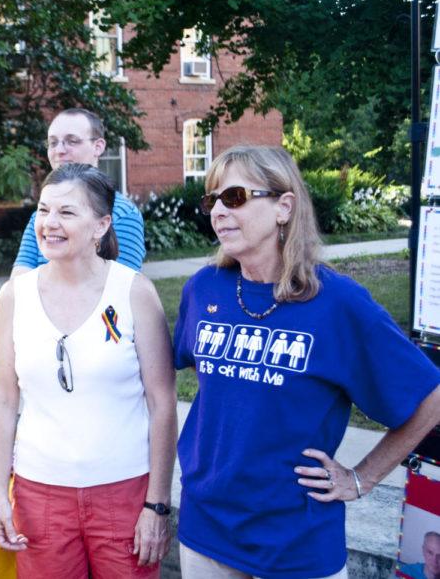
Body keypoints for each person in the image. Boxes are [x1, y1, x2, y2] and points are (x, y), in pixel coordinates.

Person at [173, 145, 440, 579]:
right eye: (212, 200)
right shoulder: (204, 290)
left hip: (295, 540)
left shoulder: (338, 303)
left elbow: (430, 396)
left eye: (234, 197)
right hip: (206, 528)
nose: (218, 210)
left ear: (284, 206)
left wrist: (363, 478)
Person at [0, 162, 177, 578]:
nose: (49, 224)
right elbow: (2, 400)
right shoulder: (14, 296)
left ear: (101, 225)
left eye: (67, 213)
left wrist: (157, 504)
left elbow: (163, 404)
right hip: (40, 495)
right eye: (43, 210)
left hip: (124, 492)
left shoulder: (134, 293)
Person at [11, 108, 146, 277]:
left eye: (72, 141)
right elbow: (19, 282)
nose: (59, 150)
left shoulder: (122, 213)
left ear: (98, 147)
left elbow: (120, 289)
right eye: (53, 142)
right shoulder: (43, 217)